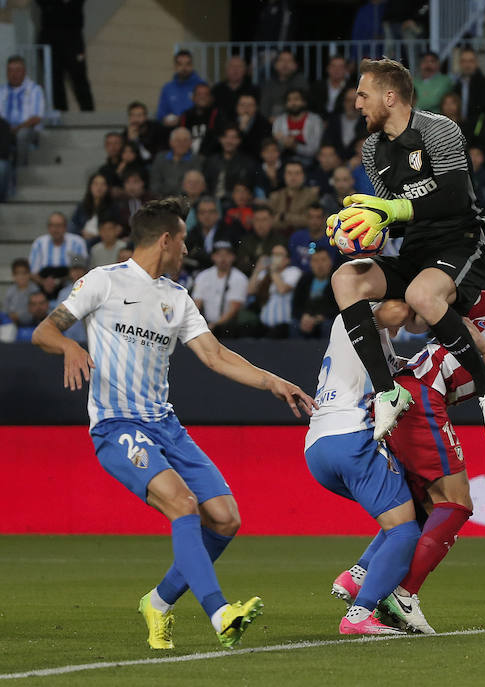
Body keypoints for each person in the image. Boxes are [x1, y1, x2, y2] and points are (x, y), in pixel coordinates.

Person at [31, 197, 315, 649]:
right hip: (117, 426)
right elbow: (45, 329)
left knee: (224, 519)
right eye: (183, 241)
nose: (187, 251)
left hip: (166, 426)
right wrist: (67, 346)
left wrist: (273, 382)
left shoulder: (176, 297)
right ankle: (221, 613)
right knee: (183, 505)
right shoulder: (102, 283)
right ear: (166, 239)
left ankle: (159, 603)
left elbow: (215, 356)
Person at [333, 281, 485, 632]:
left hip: (421, 399)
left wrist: (483, 350)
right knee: (456, 502)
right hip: (418, 389)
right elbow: (434, 295)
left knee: (427, 508)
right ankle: (402, 595)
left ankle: (360, 575)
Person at [328, 58, 485, 442]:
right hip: (416, 251)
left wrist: (393, 210)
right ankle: (387, 392)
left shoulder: (438, 129)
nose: (357, 104)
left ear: (390, 96)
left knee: (420, 294)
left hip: (461, 244)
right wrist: (362, 225)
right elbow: (396, 221)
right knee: (345, 279)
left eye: (363, 95)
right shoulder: (372, 150)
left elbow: (454, 199)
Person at [305, 300, 421, 635]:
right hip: (351, 437)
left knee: (399, 511)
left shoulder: (371, 341)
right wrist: (429, 300)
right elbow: (396, 311)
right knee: (405, 531)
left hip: (318, 447)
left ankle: (355, 576)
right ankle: (359, 614)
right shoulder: (357, 316)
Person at [35, 0, 94, 111]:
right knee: (55, 80)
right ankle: (61, 114)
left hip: (73, 36)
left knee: (79, 76)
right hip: (50, 35)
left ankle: (89, 113)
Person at [192, 240, 250, 339]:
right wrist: (200, 325)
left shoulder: (239, 278)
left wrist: (214, 325)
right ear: (213, 257)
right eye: (219, 254)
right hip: (205, 322)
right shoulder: (203, 276)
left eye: (227, 255)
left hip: (229, 327)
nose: (223, 259)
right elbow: (196, 304)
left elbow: (234, 309)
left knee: (230, 327)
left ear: (233, 257)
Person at [247, 243, 302, 338]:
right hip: (264, 325)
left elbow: (282, 289)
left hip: (284, 326)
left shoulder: (293, 272)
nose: (275, 258)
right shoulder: (265, 273)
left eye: (279, 255)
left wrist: (273, 270)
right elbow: (250, 291)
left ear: (287, 260)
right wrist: (257, 270)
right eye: (273, 254)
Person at [0, 55, 46, 167]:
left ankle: (20, 173)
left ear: (24, 72)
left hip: (27, 129)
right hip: (5, 129)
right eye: (10, 70)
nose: (13, 74)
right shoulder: (2, 91)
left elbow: (36, 118)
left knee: (22, 135)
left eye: (17, 70)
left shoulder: (35, 90)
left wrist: (17, 128)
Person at [29, 212, 89, 297]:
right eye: (52, 226)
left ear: (65, 227)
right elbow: (32, 273)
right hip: (44, 288)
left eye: (58, 226)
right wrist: (44, 283)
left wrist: (59, 281)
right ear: (48, 227)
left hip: (70, 286)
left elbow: (82, 270)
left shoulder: (77, 242)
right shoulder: (39, 243)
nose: (55, 229)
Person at [292, 243, 339, 338]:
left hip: (326, 319)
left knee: (328, 325)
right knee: (294, 324)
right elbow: (296, 305)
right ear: (310, 264)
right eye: (315, 261)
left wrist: (319, 318)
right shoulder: (304, 280)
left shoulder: (337, 280)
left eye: (323, 260)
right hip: (306, 319)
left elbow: (338, 308)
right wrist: (303, 317)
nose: (319, 265)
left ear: (330, 262)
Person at [203, 125, 257, 203]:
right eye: (225, 137)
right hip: (212, 202)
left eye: (233, 138)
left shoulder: (248, 163)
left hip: (237, 203)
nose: (229, 141)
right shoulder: (211, 161)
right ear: (220, 139)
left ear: (239, 140)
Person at [272, 89, 324, 168]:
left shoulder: (315, 120)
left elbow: (315, 149)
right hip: (284, 160)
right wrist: (283, 144)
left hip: (309, 162)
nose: (293, 103)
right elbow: (275, 149)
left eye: (296, 99)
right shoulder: (279, 121)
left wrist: (295, 146)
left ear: (304, 102)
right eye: (289, 100)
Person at [150, 127, 204, 198]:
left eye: (185, 140)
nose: (181, 144)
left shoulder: (198, 160)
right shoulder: (160, 158)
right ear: (171, 142)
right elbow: (154, 183)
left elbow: (195, 185)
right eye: (178, 140)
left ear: (190, 142)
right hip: (162, 200)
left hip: (187, 200)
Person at [269, 160, 320, 235]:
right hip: (277, 238)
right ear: (284, 175)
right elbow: (270, 222)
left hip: (302, 238)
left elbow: (309, 221)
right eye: (289, 173)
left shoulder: (311, 196)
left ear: (303, 176)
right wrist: (296, 219)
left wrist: (283, 217)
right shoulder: (275, 196)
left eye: (297, 173)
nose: (293, 177)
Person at [157, 50, 205, 127]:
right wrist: (165, 120)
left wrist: (182, 119)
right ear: (175, 66)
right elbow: (161, 115)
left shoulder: (201, 86)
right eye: (180, 64)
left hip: (196, 129)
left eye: (187, 64)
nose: (184, 68)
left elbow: (206, 111)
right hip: (173, 131)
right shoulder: (167, 88)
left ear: (192, 65)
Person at [259, 49, 309, 121]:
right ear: (275, 65)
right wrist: (266, 120)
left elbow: (301, 105)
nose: (285, 64)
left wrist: (282, 120)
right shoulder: (269, 83)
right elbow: (264, 107)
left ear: (295, 66)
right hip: (271, 122)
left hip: (295, 120)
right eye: (281, 60)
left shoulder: (301, 81)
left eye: (289, 61)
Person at [211, 55, 258, 121]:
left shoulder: (254, 90)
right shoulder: (217, 90)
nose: (235, 70)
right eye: (232, 66)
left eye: (239, 67)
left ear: (245, 70)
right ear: (226, 70)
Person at [69, 173, 113, 241]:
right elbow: (73, 224)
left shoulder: (112, 207)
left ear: (107, 187)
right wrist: (81, 233)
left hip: (101, 240)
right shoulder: (82, 206)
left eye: (102, 184)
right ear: (90, 187)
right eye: (96, 184)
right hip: (82, 237)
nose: (99, 187)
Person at [2, 258, 39, 327]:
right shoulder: (10, 290)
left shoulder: (34, 290)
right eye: (17, 274)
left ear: (29, 274)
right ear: (13, 276)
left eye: (24, 273)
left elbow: (35, 311)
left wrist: (18, 316)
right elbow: (5, 308)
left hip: (31, 324)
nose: (21, 277)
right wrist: (10, 315)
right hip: (11, 322)